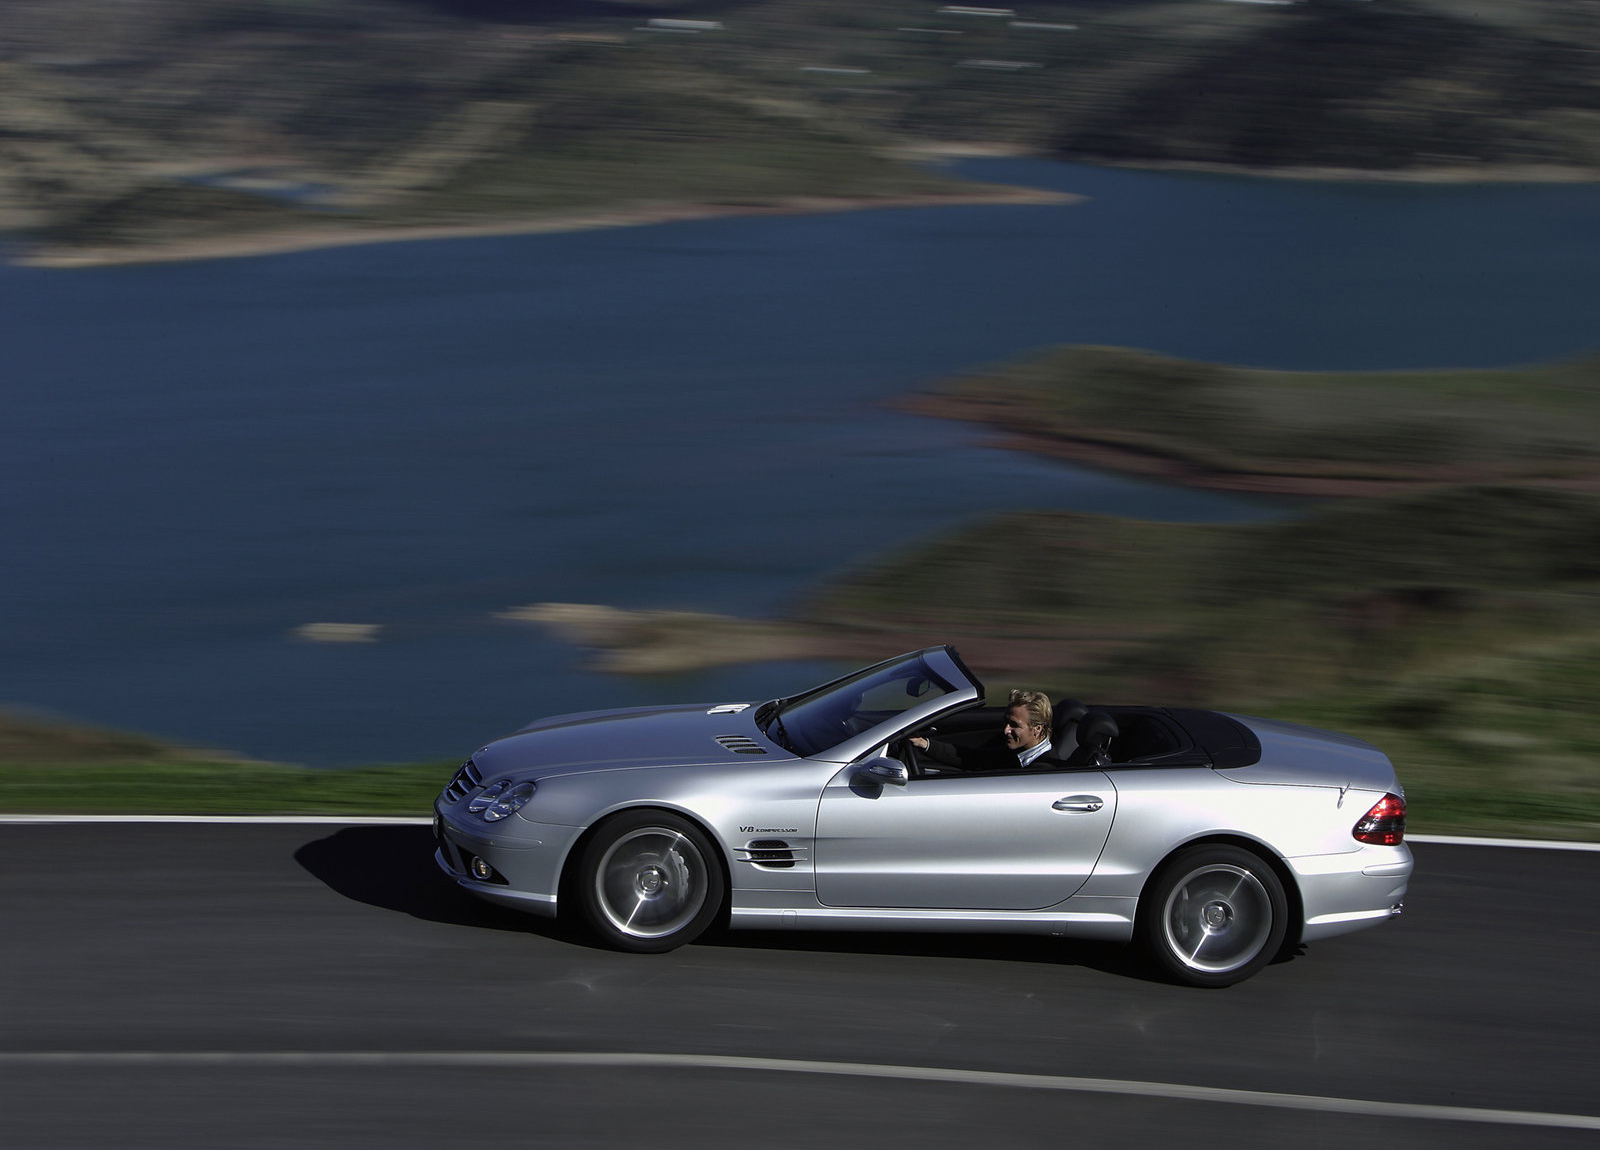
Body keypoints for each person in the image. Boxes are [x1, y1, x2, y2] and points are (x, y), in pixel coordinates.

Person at [910, 689, 1059, 771]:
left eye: (1014, 725)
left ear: (1037, 729)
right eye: (1006, 722)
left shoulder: (1043, 771)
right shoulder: (1017, 754)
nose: (1006, 730)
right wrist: (924, 744)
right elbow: (973, 758)